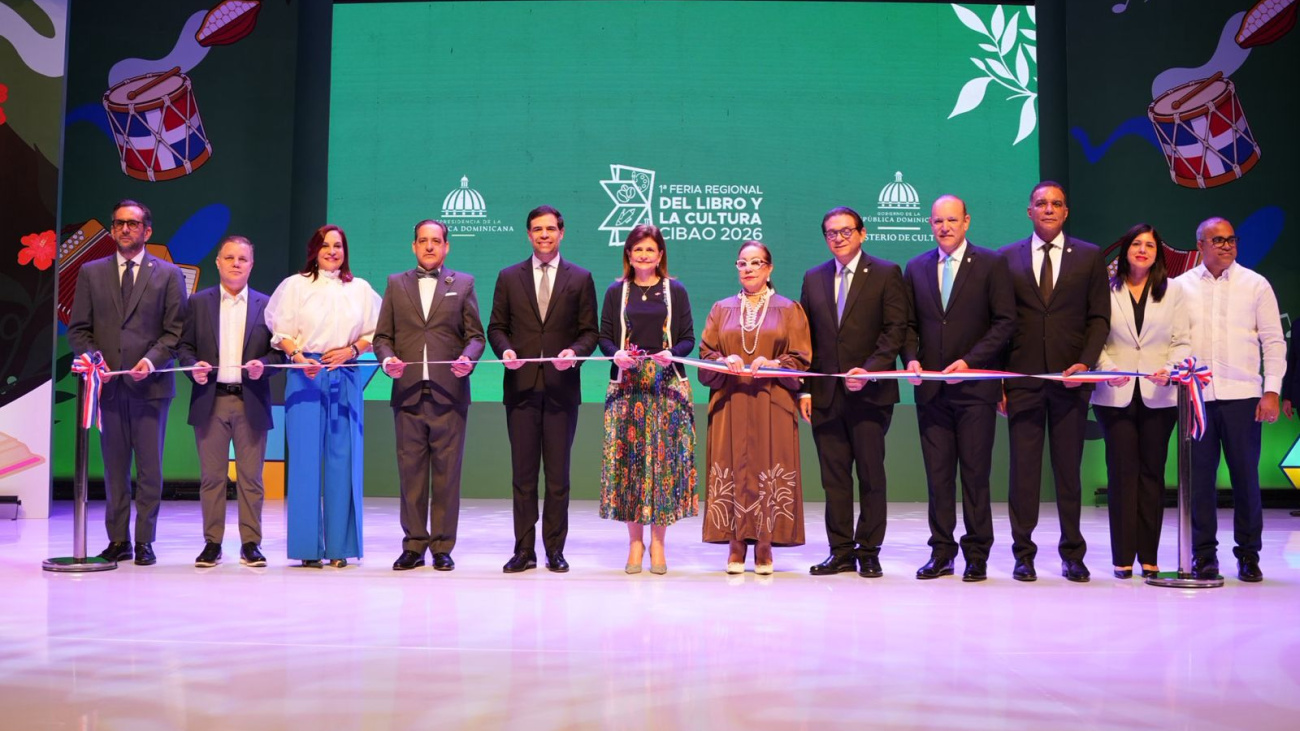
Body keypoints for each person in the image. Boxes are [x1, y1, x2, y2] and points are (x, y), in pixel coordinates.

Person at [999, 181, 1110, 583]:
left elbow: (1099, 318)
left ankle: (1073, 554)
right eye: (1041, 203)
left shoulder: (1090, 256)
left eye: (1056, 203)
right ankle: (1023, 554)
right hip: (1022, 380)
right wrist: (1000, 381)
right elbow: (999, 323)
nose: (1048, 209)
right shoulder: (1005, 257)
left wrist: (1085, 363)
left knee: (1068, 472)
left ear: (1066, 212)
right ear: (1029, 211)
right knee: (1023, 474)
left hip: (1070, 382)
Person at [901, 195, 1015, 582]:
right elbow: (908, 325)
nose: (945, 227)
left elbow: (1004, 322)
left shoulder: (991, 264)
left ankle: (977, 554)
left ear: (966, 221)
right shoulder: (916, 267)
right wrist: (910, 359)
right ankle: (942, 552)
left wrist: (970, 362)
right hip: (931, 391)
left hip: (975, 390)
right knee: (938, 477)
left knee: (975, 475)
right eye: (938, 221)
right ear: (930, 225)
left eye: (952, 220)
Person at [67, 199, 187, 566]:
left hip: (151, 388)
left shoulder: (169, 274)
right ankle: (118, 540)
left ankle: (145, 540)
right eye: (119, 223)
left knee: (150, 470)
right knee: (115, 470)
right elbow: (79, 330)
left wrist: (150, 361)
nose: (124, 229)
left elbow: (175, 332)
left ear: (147, 231)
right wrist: (96, 360)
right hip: (109, 387)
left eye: (132, 224)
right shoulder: (91, 272)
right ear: (111, 229)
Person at [487, 205, 599, 573]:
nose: (544, 235)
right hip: (520, 389)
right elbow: (496, 327)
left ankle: (554, 550)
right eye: (537, 229)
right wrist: (505, 350)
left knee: (558, 477)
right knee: (522, 477)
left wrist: (575, 353)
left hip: (561, 390)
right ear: (528, 234)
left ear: (561, 233)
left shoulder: (580, 278)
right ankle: (524, 551)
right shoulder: (508, 277)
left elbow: (590, 332)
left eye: (550, 229)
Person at [798, 206, 907, 578]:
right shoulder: (813, 278)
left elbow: (895, 330)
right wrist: (805, 391)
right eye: (831, 233)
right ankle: (841, 550)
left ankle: (869, 550)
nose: (839, 238)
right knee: (834, 478)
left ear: (862, 233)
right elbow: (805, 340)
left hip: (870, 395)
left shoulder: (887, 273)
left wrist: (871, 370)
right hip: (826, 395)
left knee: (871, 476)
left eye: (846, 231)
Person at [266, 224, 380, 568]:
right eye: (326, 245)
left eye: (338, 246)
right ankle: (307, 548)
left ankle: (340, 547)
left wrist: (351, 351)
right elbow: (282, 331)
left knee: (342, 460)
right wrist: (298, 357)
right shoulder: (295, 285)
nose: (332, 251)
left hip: (345, 373)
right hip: (305, 374)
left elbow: (374, 332)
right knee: (304, 461)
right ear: (314, 250)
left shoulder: (360, 288)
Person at [373, 220, 485, 572]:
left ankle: (442, 547)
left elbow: (476, 336)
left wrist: (468, 358)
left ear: (446, 246)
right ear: (414, 246)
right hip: (407, 394)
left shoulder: (463, 283)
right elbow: (382, 337)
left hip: (449, 394)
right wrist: (387, 360)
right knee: (411, 476)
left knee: (447, 476)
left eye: (436, 241)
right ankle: (413, 545)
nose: (429, 246)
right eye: (423, 240)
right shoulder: (396, 283)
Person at [1179, 217, 1286, 582]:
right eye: (1218, 240)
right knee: (1200, 483)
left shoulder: (1256, 284)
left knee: (1245, 479)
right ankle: (1204, 556)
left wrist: (1271, 390)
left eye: (1231, 239)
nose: (1226, 245)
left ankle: (1249, 555)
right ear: (1200, 246)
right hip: (1197, 399)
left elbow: (1274, 341)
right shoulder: (1181, 286)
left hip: (1244, 399)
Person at [700, 241, 812, 574]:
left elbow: (801, 358)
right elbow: (706, 355)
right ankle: (735, 543)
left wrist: (775, 363)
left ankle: (765, 543)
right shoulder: (721, 308)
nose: (748, 269)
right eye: (742, 263)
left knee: (768, 463)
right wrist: (724, 359)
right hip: (730, 400)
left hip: (771, 400)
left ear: (769, 268)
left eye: (756, 262)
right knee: (731, 463)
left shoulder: (788, 309)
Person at [1090, 224, 1190, 579]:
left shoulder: (1174, 291)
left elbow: (1182, 341)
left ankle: (1149, 556)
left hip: (1158, 394)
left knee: (1151, 474)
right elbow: (1094, 336)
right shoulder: (1106, 287)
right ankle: (1122, 557)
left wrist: (1170, 369)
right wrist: (1107, 368)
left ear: (1158, 253)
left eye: (1149, 245)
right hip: (1114, 394)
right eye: (1136, 243)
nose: (1143, 250)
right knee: (1121, 473)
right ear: (1126, 249)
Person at [178, 235, 283, 568]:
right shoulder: (198, 303)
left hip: (251, 401)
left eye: (242, 259)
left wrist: (262, 365)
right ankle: (212, 543)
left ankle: (251, 544)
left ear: (251, 265)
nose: (236, 264)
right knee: (212, 478)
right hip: (211, 400)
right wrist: (192, 367)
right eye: (229, 257)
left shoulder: (268, 305)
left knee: (251, 479)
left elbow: (279, 353)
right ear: (218, 262)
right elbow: (184, 347)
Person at [597, 224, 697, 575]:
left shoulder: (675, 290)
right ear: (628, 254)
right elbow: (604, 338)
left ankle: (658, 544)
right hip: (627, 387)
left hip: (666, 386)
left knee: (662, 466)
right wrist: (616, 354)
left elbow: (688, 338)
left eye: (650, 249)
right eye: (637, 249)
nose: (643, 255)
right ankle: (634, 543)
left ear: (660, 255)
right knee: (631, 466)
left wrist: (673, 353)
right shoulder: (616, 291)